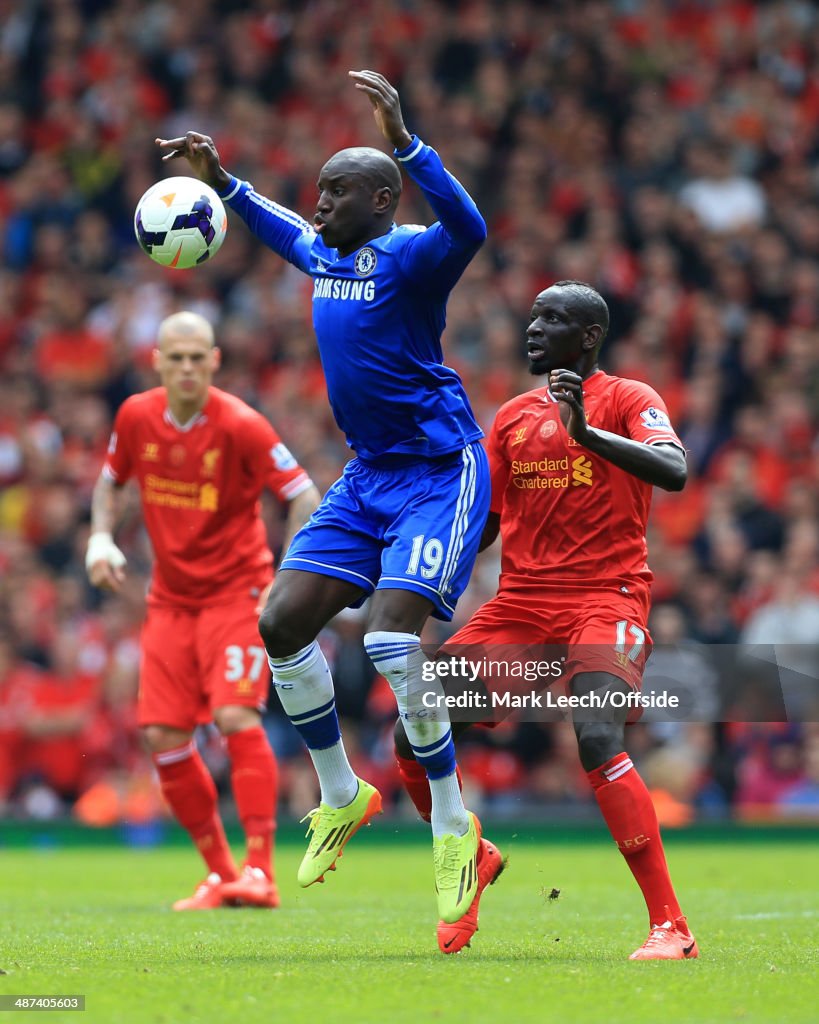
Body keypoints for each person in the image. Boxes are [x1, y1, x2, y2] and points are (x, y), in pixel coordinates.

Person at [156, 70, 498, 934]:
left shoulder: (414, 253)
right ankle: (342, 793)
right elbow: (281, 234)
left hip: (438, 471)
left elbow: (473, 225)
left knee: (388, 636)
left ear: (382, 198)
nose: (318, 204)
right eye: (317, 190)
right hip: (368, 473)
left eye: (336, 191)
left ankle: (454, 826)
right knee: (279, 625)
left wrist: (407, 138)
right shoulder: (324, 252)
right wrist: (223, 183)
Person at [396, 281, 699, 959]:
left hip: (605, 596)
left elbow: (674, 470)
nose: (533, 328)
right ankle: (469, 852)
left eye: (553, 319)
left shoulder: (629, 399)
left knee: (595, 733)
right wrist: (406, 551)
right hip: (522, 608)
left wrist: (586, 434)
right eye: (532, 317)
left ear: (589, 335)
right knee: (411, 728)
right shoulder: (509, 417)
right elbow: (485, 528)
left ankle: (670, 927)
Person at [86, 311, 320, 910]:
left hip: (237, 594)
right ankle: (220, 873)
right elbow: (111, 481)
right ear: (157, 362)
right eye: (177, 357)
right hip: (170, 599)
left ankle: (261, 869)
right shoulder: (135, 416)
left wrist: (286, 574)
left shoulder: (240, 424)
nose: (187, 367)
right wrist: (100, 538)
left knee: (235, 717)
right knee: (162, 734)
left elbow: (302, 496)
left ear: (215, 361)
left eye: (198, 357)